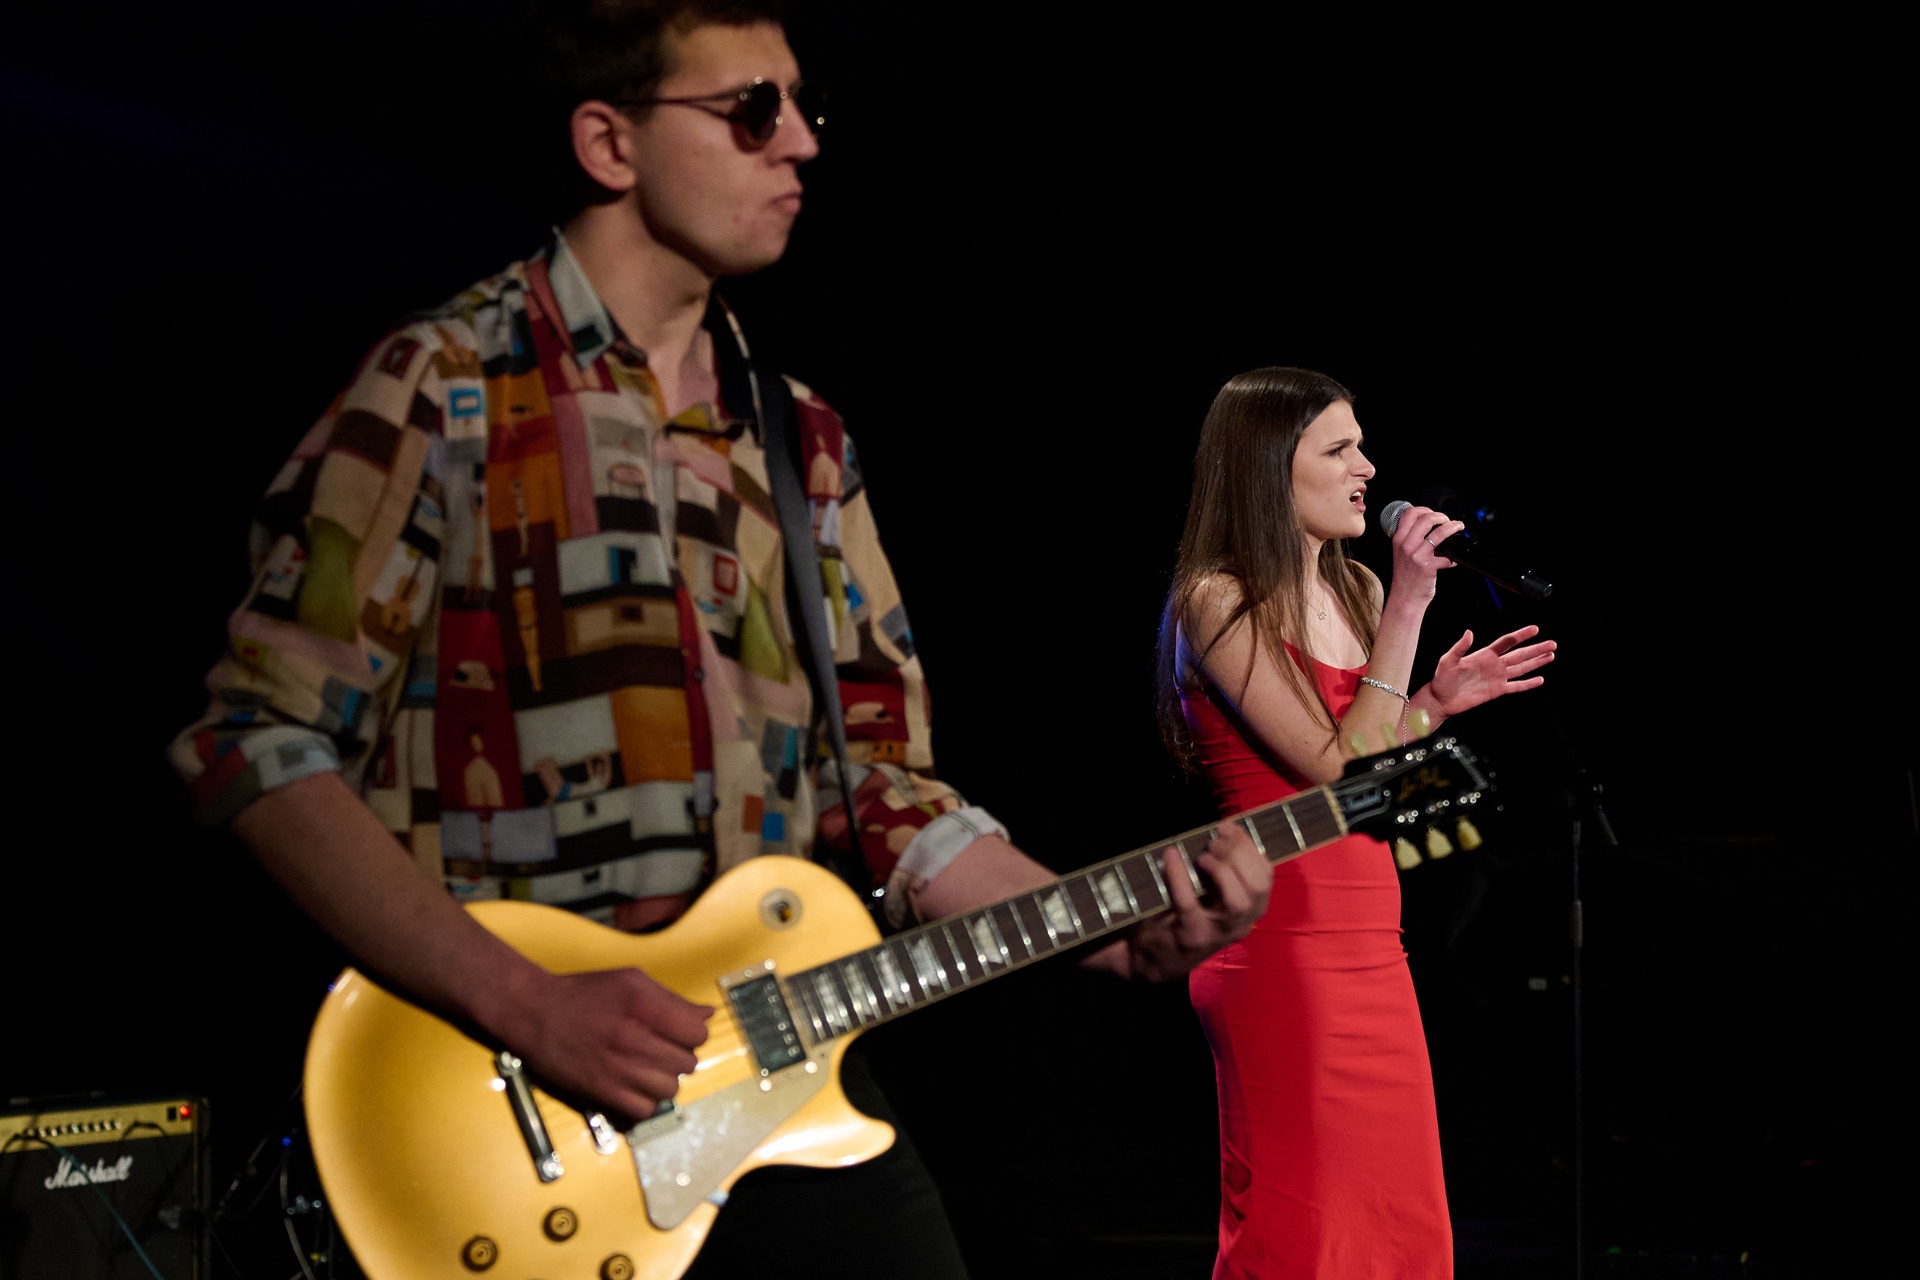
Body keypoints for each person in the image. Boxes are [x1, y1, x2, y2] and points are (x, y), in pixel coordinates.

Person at [168, 2, 1271, 1275]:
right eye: (752, 110)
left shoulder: (801, 439)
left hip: (770, 1080)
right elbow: (255, 744)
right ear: (609, 142)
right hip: (514, 1103)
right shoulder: (445, 384)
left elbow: (887, 790)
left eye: (801, 107)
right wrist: (530, 1003)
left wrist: (1110, 933)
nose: (800, 141)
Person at [1156, 367, 1556, 1278]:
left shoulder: (1361, 591)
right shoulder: (1218, 599)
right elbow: (1336, 771)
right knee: (1310, 1235)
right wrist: (1413, 604)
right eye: (1339, 450)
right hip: (1280, 949)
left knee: (1397, 1229)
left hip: (1372, 943)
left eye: (1362, 447)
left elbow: (1370, 780)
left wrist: (1433, 706)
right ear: (1268, 467)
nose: (1368, 470)